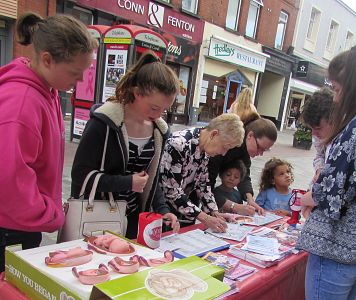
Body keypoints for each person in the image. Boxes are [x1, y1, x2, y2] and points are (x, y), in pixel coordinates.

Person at [0, 12, 98, 272]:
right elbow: (10, 181)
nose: (78, 82)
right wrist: (51, 214)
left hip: (19, 224)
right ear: (47, 60)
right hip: (10, 229)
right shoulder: (22, 102)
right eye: (75, 73)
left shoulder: (47, 89)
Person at [71, 50, 180, 239]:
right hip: (97, 220)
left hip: (132, 222)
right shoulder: (104, 123)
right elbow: (80, 176)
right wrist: (127, 183)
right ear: (136, 92)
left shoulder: (159, 131)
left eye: (165, 109)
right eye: (154, 107)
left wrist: (163, 210)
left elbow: (151, 181)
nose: (159, 114)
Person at [297, 48, 356, 300]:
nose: (335, 96)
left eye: (337, 88)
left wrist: (306, 199)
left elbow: (332, 191)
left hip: (335, 244)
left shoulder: (351, 129)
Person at [160, 113, 245, 232]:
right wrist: (204, 217)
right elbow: (171, 191)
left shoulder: (204, 148)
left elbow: (203, 184)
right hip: (162, 212)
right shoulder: (178, 144)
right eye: (225, 147)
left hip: (180, 210)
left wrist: (214, 212)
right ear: (214, 134)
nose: (223, 153)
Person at [209, 117, 278, 215]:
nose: (260, 153)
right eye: (260, 148)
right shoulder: (229, 143)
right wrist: (234, 206)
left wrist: (250, 200)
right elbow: (206, 186)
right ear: (250, 135)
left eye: (264, 150)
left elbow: (244, 176)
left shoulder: (244, 149)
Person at [300, 87, 334, 184]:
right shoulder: (319, 136)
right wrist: (319, 170)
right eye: (311, 128)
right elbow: (320, 155)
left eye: (318, 128)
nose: (313, 134)